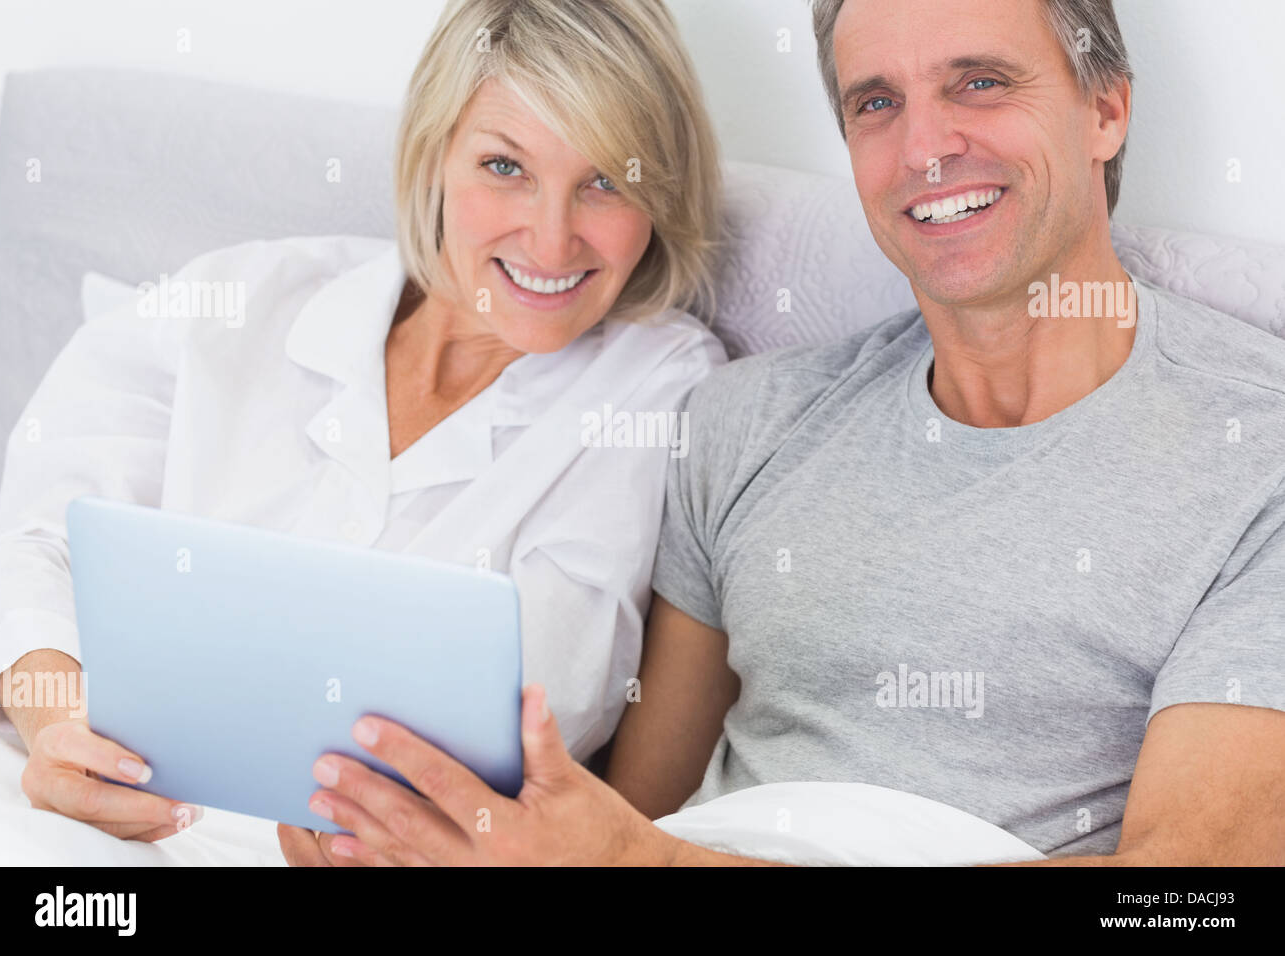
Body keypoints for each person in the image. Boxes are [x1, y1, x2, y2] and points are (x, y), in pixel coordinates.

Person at [279, 0, 1285, 866]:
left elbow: (1185, 900)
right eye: (877, 103)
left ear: (1105, 108)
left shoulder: (1253, 455)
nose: (926, 146)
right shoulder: (749, 420)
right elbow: (631, 819)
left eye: (979, 82)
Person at [0, 0, 726, 846]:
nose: (552, 242)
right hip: (72, 803)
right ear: (433, 155)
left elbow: (548, 691)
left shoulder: (660, 388)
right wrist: (59, 728)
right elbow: (38, 540)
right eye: (504, 167)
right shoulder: (240, 302)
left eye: (606, 183)